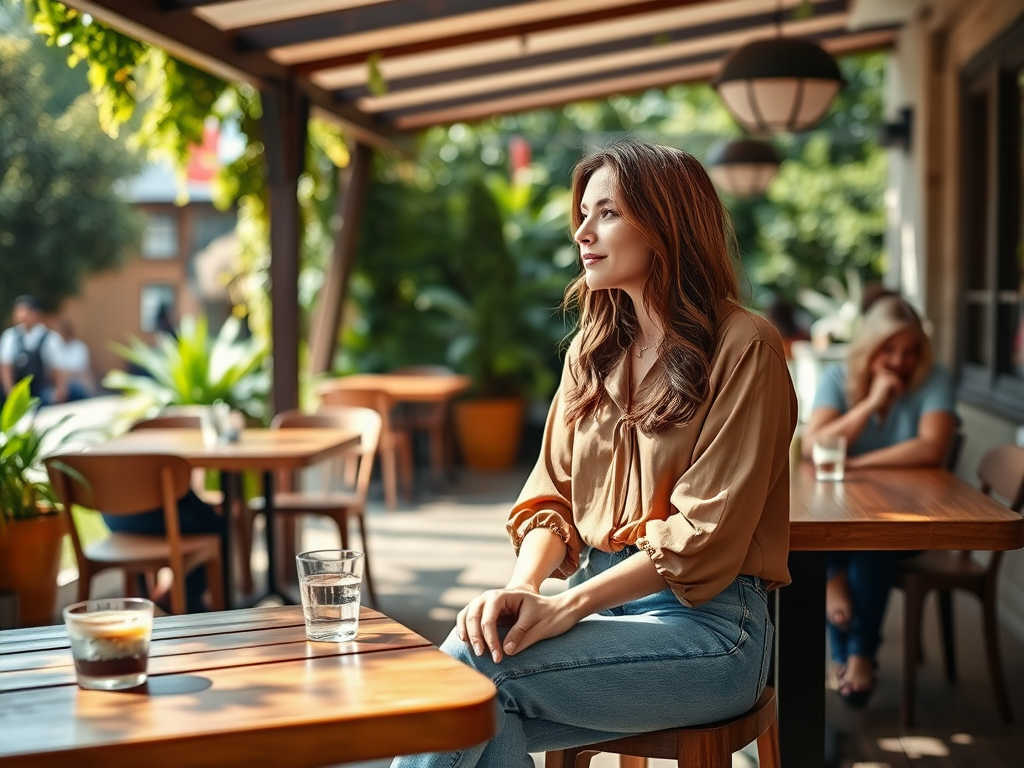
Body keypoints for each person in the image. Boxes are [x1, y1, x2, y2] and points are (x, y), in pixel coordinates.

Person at [391, 140, 797, 768]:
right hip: (595, 605)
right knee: (483, 686)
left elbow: (703, 535)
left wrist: (566, 606)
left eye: (606, 213)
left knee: (472, 679)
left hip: (709, 630)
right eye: (582, 213)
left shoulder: (746, 347)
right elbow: (550, 495)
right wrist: (525, 589)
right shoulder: (593, 349)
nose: (582, 231)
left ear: (666, 223)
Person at [801, 295, 957, 708]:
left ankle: (852, 643)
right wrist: (872, 402)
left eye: (910, 351)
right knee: (855, 534)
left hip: (913, 519)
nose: (900, 361)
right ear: (869, 346)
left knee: (879, 533)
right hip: (838, 512)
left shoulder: (933, 379)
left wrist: (855, 463)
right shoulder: (838, 377)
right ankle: (856, 656)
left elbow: (932, 448)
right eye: (889, 348)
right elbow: (813, 448)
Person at [0, 295, 67, 405]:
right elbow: (6, 366)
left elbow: (57, 367)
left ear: (36, 314)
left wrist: (60, 388)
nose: (21, 315)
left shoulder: (49, 337)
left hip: (41, 389)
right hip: (17, 390)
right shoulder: (10, 336)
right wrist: (10, 391)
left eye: (24, 311)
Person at [55, 319, 95, 401]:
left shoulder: (79, 347)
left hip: (77, 382)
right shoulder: (57, 348)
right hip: (62, 384)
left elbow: (78, 369)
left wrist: (64, 373)